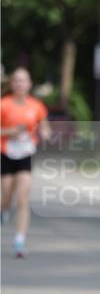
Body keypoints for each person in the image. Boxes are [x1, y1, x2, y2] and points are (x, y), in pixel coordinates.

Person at [1, 67, 51, 257]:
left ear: (29, 84)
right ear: (12, 84)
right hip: (5, 154)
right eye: (16, 80)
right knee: (5, 198)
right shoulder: (3, 105)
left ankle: (19, 241)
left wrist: (45, 133)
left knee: (22, 198)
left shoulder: (36, 106)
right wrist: (9, 132)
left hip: (25, 155)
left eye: (23, 80)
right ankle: (3, 210)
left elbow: (44, 126)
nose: (20, 84)